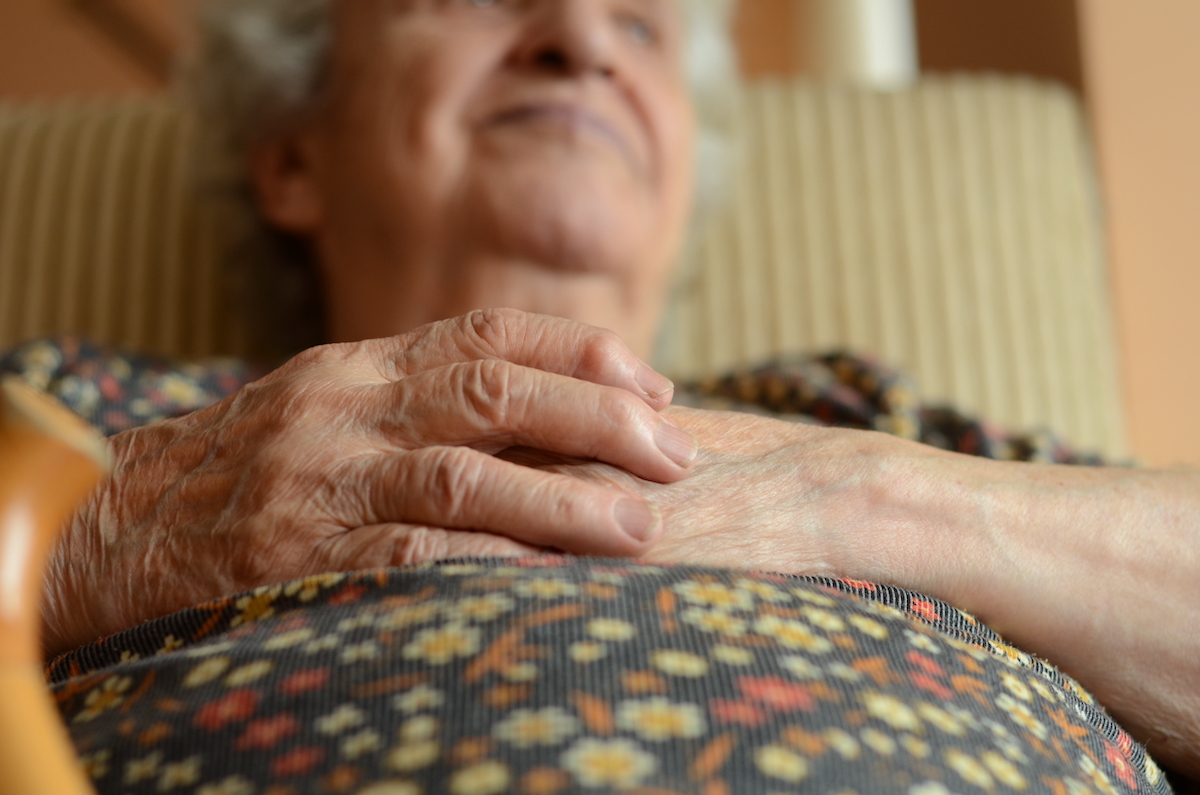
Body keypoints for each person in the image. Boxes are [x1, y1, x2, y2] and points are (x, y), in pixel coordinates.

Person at [7, 0, 1197, 789]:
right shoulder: (91, 420)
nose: (582, 36)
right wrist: (109, 533)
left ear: (684, 169)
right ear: (292, 153)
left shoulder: (868, 415)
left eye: (642, 19)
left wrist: (856, 497)